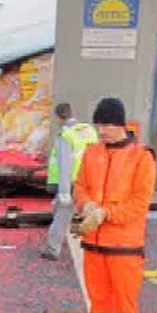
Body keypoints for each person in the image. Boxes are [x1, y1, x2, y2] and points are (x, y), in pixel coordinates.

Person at [74, 97, 157, 313]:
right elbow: (80, 187)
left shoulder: (142, 157)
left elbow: (139, 204)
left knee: (125, 310)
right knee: (98, 307)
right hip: (93, 247)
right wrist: (87, 206)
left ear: (120, 125)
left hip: (124, 250)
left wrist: (105, 213)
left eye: (105, 125)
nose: (100, 131)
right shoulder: (91, 152)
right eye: (97, 125)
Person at [39, 102, 99, 260]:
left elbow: (65, 164)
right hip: (90, 179)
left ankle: (52, 249)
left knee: (62, 214)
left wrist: (64, 191)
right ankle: (95, 243)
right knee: (64, 210)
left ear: (58, 117)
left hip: (72, 181)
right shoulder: (88, 130)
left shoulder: (66, 136)